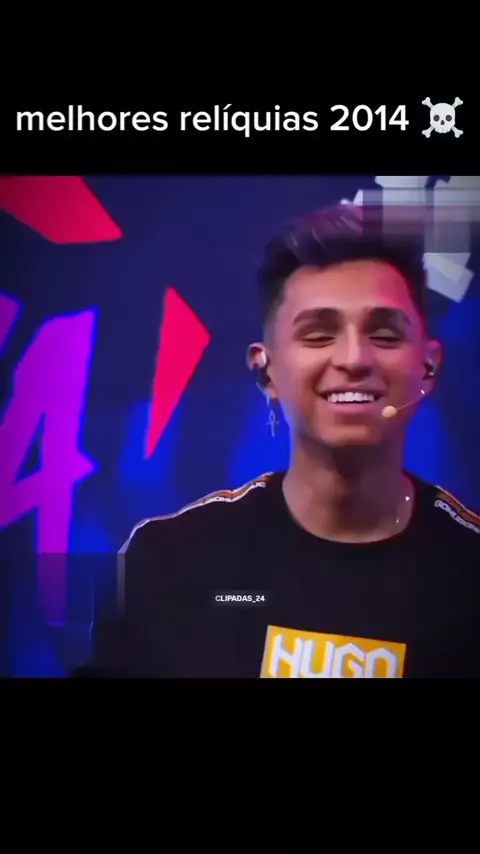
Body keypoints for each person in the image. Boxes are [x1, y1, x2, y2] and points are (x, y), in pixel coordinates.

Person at [74, 202, 480, 678]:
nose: (354, 359)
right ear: (265, 370)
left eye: (385, 335)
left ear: (428, 366)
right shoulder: (170, 561)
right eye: (319, 335)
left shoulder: (468, 571)